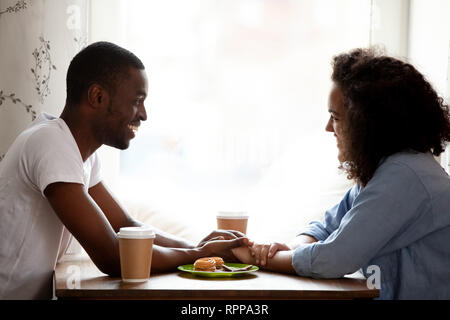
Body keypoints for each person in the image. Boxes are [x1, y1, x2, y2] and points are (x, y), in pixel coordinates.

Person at [0, 41, 246, 300]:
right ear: (97, 96)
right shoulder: (50, 143)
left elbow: (125, 225)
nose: (143, 114)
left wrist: (198, 246)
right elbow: (114, 257)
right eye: (137, 101)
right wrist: (198, 255)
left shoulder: (80, 154)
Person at [232, 47, 450, 299]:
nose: (328, 128)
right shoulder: (385, 171)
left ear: (369, 125)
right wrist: (282, 249)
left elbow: (334, 259)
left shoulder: (405, 176)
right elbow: (325, 228)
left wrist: (260, 259)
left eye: (335, 117)